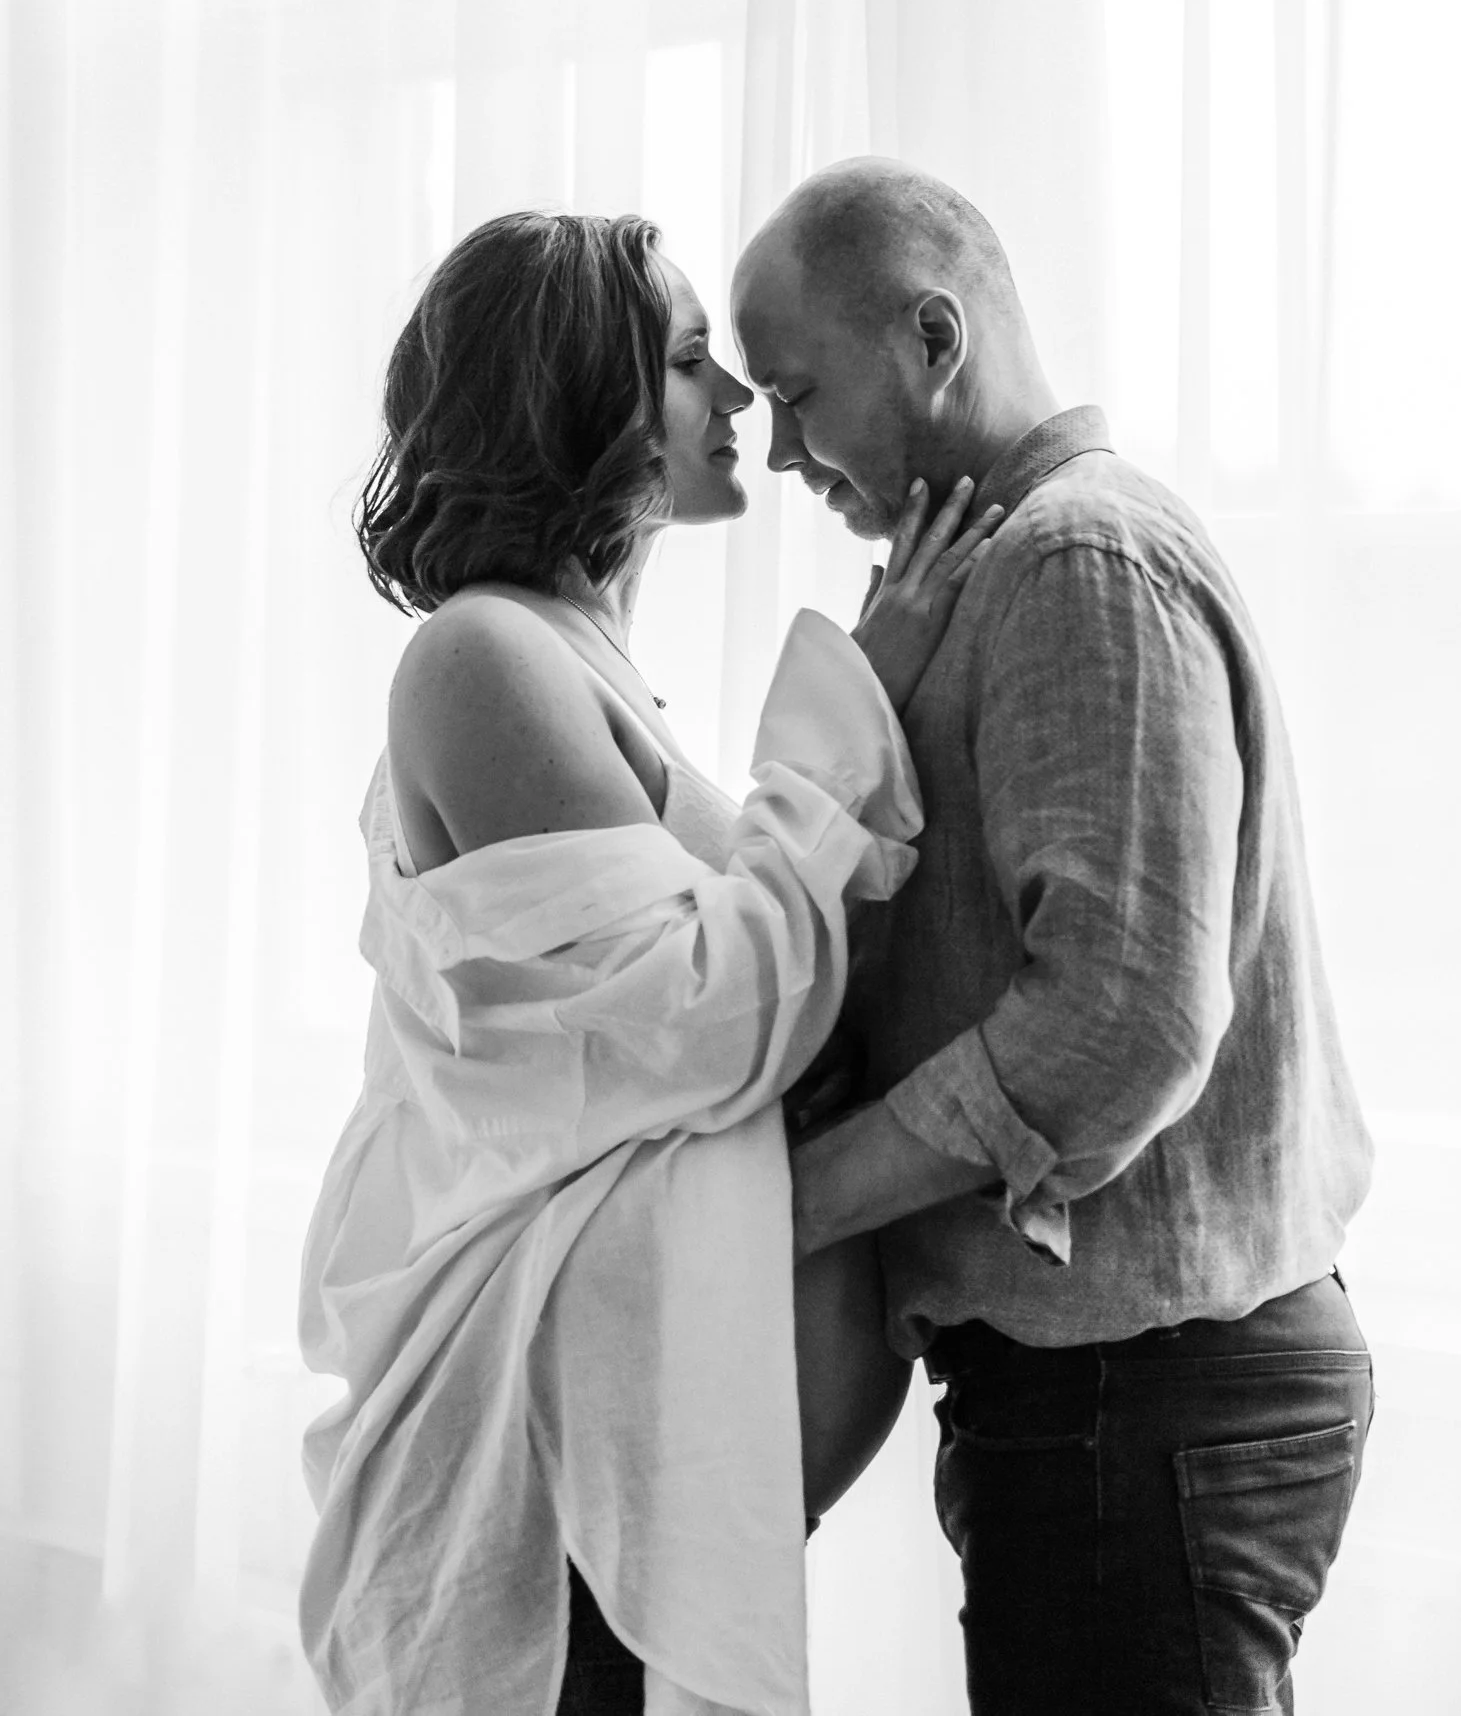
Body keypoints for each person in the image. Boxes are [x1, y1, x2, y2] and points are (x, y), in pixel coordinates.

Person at [297, 209, 1000, 1716]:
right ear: (575, 401)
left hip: (651, 1504)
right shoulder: (481, 659)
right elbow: (699, 1020)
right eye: (690, 362)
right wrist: (850, 703)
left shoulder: (587, 663)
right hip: (551, 1505)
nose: (741, 402)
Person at [732, 157, 1377, 1716]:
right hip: (1119, 1408)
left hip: (1142, 1407)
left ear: (934, 343)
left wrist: (798, 1202)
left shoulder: (1074, 565)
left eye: (795, 393)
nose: (776, 453)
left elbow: (1117, 1027)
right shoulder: (1013, 569)